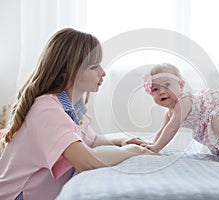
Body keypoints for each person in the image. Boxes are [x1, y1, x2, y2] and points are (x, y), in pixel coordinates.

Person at [0, 28, 155, 200]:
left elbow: (92, 140)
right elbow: (87, 162)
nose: (102, 73)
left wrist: (119, 141)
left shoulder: (71, 107)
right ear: (67, 71)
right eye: (94, 67)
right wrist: (131, 151)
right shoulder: (46, 109)